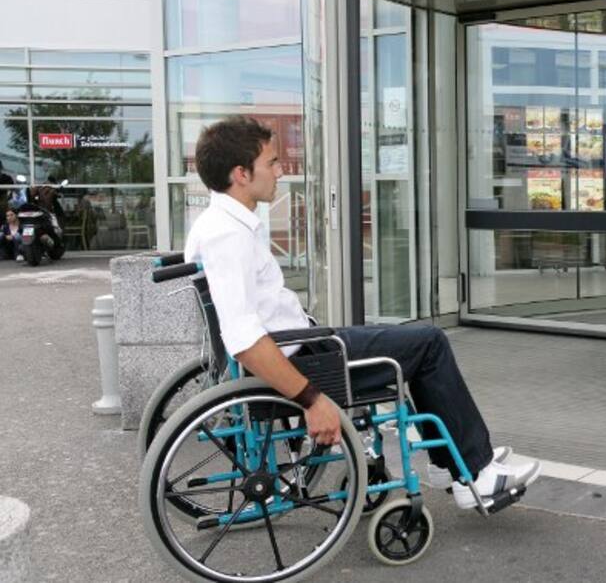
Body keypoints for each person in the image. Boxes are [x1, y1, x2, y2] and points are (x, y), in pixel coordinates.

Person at [184, 116, 539, 508]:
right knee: (429, 343)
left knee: (407, 340)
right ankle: (475, 473)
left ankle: (450, 462)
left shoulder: (215, 223)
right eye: (271, 162)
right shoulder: (229, 236)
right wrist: (313, 400)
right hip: (304, 360)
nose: (280, 171)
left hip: (302, 344)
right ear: (241, 174)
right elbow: (244, 339)